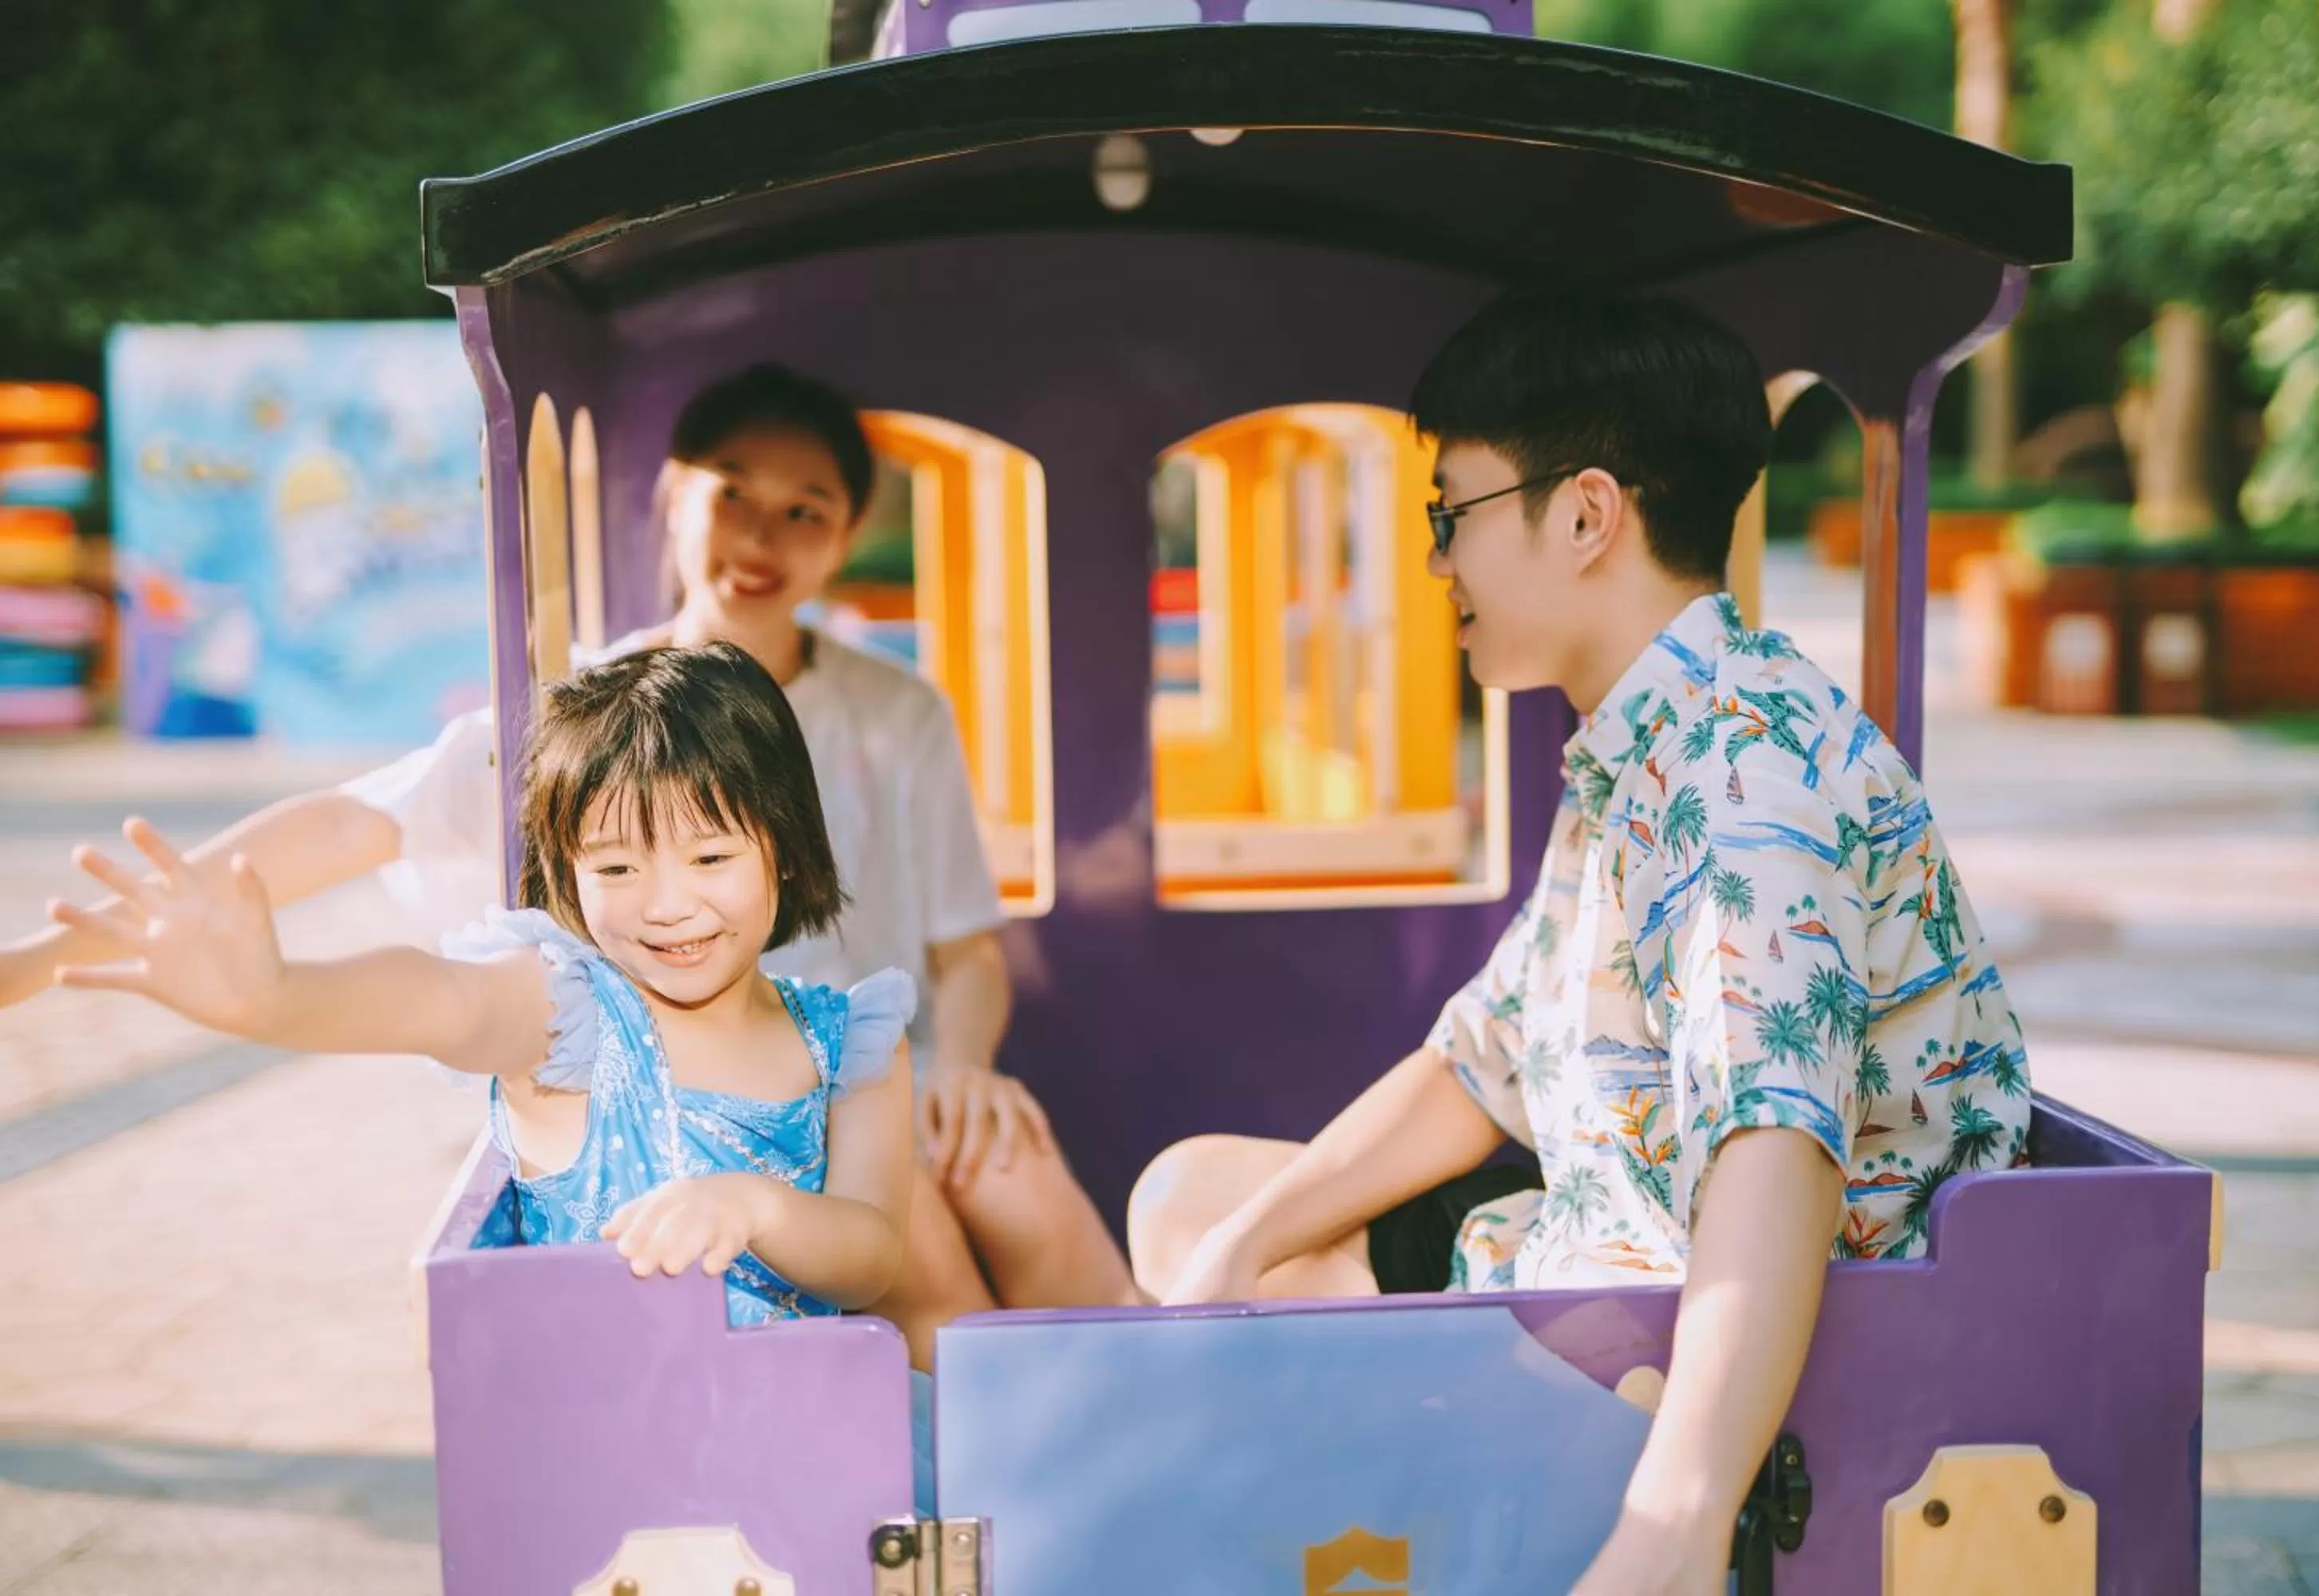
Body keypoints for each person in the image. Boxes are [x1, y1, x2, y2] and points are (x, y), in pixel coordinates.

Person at [1126, 289, 2033, 1594]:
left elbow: (1773, 1161)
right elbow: (1481, 1057)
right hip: (1588, 1251)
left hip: (1709, 1343)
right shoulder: (1640, 740)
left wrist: (1672, 1529)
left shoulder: (1744, 778)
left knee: (1236, 1357)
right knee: (1197, 1205)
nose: (1439, 560)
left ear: (1588, 513)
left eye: (1454, 515)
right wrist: (1240, 1251)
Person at [1, 364, 1137, 1365]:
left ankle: (1161, 1406)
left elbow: (965, 948)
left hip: (867, 1070)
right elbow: (360, 833)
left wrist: (968, 1068)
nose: (760, 534)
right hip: (695, 1090)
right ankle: (1015, 1477)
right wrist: (75, 951)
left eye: (805, 511)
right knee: (920, 1257)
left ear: (842, 540)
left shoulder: (894, 711)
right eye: (731, 492)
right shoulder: (595, 714)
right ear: (671, 497)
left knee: (1020, 1181)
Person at [48, 644, 937, 1508]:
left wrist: (756, 1204)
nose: (667, 904)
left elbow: (870, 1258)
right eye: (618, 866)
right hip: (615, 1493)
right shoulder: (568, 1017)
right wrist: (275, 997)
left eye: (710, 858)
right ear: (567, 870)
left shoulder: (851, 1039)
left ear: (782, 844)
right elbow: (435, 998)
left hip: (819, 1460)